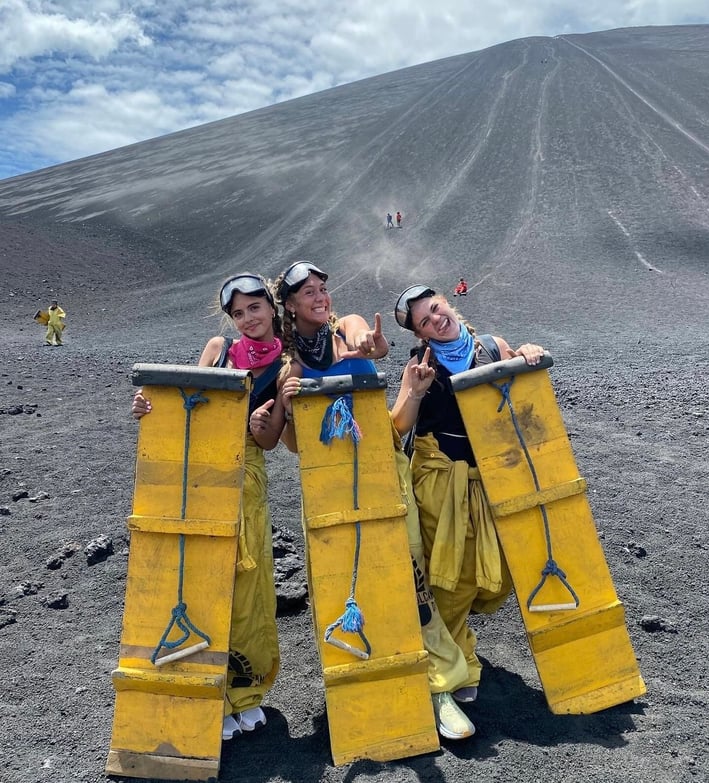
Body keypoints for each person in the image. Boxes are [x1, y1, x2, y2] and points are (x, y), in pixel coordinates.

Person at [276, 263, 477, 740]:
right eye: (309, 292)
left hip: (384, 470)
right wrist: (287, 403)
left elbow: (374, 345)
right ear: (289, 304)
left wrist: (372, 347)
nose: (321, 297)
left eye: (323, 288)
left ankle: (441, 687)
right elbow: (294, 444)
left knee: (412, 579)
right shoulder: (291, 366)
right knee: (350, 585)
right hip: (331, 487)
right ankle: (369, 683)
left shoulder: (346, 328)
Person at [131, 273, 286, 742]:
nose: (247, 319)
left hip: (247, 472)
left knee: (248, 581)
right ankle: (206, 693)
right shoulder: (218, 349)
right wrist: (147, 407)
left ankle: (245, 691)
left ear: (272, 307)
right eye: (238, 312)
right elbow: (189, 402)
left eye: (254, 308)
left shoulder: (288, 363)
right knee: (199, 577)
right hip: (197, 473)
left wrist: (259, 421)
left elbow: (273, 439)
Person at [391, 284, 546, 730]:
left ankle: (457, 645)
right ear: (420, 333)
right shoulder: (419, 366)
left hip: (493, 479)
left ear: (448, 304)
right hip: (442, 480)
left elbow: (522, 392)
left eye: (435, 308)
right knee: (452, 574)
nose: (436, 319)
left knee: (496, 573)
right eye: (424, 320)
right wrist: (417, 391)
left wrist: (528, 352)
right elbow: (398, 425)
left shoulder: (493, 347)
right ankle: (456, 667)